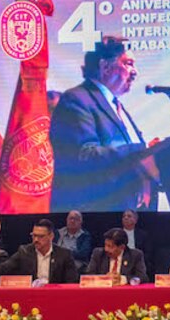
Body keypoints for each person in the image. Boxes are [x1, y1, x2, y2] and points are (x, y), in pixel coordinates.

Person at [49, 37, 155, 212]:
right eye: (128, 63)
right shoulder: (76, 100)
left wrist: (151, 152)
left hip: (126, 213)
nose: (135, 71)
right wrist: (141, 151)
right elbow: (84, 156)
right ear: (105, 67)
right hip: (93, 213)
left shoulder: (115, 105)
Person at [0, 219, 79, 284]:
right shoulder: (25, 251)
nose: (36, 239)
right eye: (34, 235)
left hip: (56, 296)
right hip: (31, 295)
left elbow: (72, 282)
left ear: (51, 236)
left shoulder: (64, 254)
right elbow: (6, 266)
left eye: (40, 236)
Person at [85, 228, 149, 284]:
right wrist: (103, 278)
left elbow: (143, 277)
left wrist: (123, 279)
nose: (106, 249)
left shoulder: (135, 255)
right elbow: (88, 275)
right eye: (105, 245)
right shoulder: (98, 254)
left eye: (110, 246)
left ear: (122, 247)